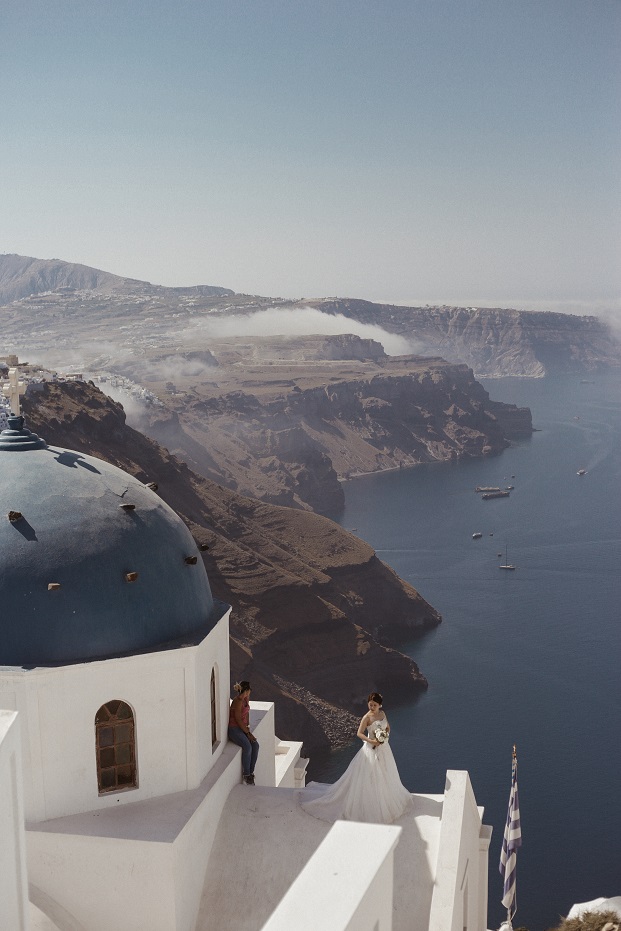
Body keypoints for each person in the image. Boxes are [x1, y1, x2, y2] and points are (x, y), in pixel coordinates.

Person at [301, 691, 412, 824]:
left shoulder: (382, 714)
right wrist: (371, 741)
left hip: (384, 749)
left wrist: (385, 736)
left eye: (374, 705)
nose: (371, 707)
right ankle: (369, 802)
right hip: (370, 749)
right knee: (369, 775)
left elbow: (387, 727)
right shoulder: (367, 717)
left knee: (384, 773)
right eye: (370, 704)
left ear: (380, 705)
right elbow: (359, 733)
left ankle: (380, 799)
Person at [228, 681, 259, 785]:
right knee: (247, 747)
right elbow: (238, 719)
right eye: (249, 690)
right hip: (234, 729)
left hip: (242, 728)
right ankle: (246, 775)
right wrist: (247, 733)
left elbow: (246, 715)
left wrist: (248, 729)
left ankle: (251, 772)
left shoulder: (245, 700)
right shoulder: (238, 701)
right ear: (246, 690)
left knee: (255, 745)